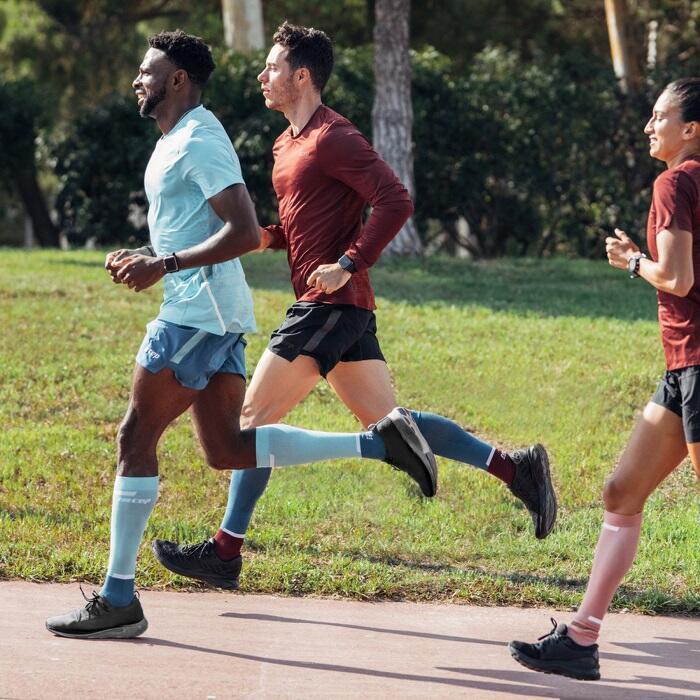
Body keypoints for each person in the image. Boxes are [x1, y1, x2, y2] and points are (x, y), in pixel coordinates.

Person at [45, 29, 441, 641]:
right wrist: (153, 253)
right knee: (228, 449)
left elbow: (238, 230)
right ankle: (379, 446)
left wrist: (164, 265)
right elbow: (229, 229)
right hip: (209, 308)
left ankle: (118, 597)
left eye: (148, 71)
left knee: (135, 433)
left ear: (178, 80)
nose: (138, 80)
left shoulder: (201, 140)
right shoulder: (176, 139)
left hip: (196, 311)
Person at [152, 22, 558, 590]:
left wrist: (349, 261)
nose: (261, 75)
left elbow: (395, 200)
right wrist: (263, 237)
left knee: (251, 423)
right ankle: (517, 469)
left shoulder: (333, 137)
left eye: (271, 67)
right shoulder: (285, 144)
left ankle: (225, 551)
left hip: (329, 305)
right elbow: (303, 226)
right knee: (395, 426)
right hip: (344, 310)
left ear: (301, 76)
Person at [509, 78, 700, 682]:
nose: (649, 126)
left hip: (698, 362)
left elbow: (678, 278)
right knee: (621, 492)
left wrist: (633, 262)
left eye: (659, 116)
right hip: (681, 369)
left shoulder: (675, 182)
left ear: (691, 128)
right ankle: (581, 639)